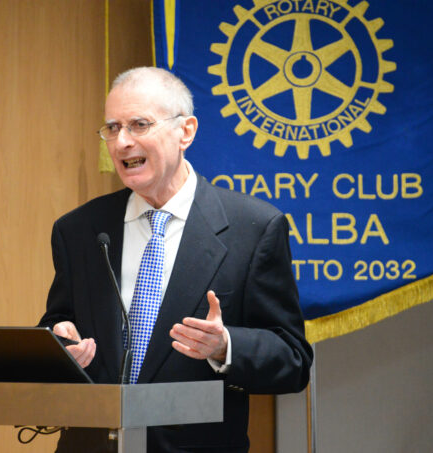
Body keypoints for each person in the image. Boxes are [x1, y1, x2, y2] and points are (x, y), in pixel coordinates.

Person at [39, 66, 313, 452]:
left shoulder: (253, 229)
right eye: (112, 128)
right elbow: (57, 323)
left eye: (139, 125)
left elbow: (293, 360)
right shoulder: (80, 230)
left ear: (186, 131)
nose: (122, 143)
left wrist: (225, 346)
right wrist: (60, 345)